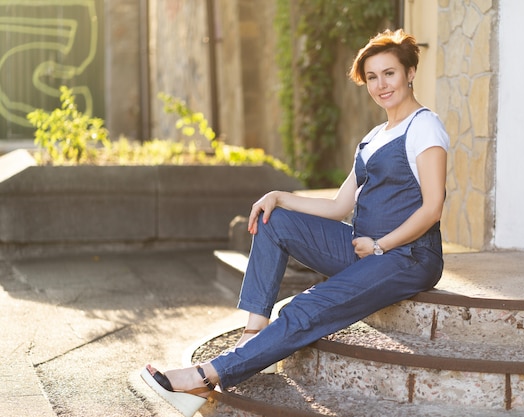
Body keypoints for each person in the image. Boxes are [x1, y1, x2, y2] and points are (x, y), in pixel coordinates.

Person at [141, 28, 450, 417]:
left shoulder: (425, 127)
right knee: (275, 221)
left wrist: (381, 245)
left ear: (409, 73)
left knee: (307, 305)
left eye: (389, 73)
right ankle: (253, 337)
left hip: (409, 255)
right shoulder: (374, 137)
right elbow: (340, 206)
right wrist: (280, 197)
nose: (380, 85)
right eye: (372, 77)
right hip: (366, 249)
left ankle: (205, 376)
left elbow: (433, 207)